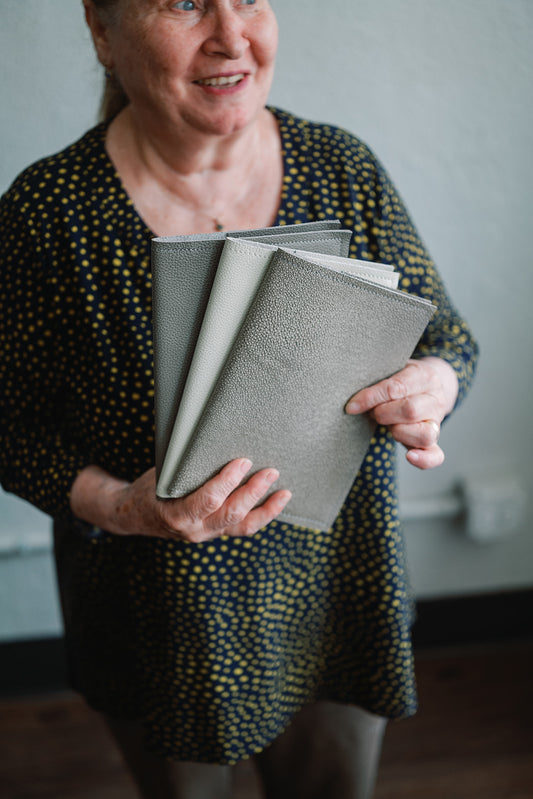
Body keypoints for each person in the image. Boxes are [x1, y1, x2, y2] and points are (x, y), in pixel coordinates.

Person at [0, 1, 478, 797]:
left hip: (333, 596)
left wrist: (433, 385)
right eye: (184, 1)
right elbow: (9, 428)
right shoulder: (50, 214)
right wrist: (124, 505)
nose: (232, 34)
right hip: (158, 621)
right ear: (100, 27)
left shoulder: (339, 166)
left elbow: (447, 339)